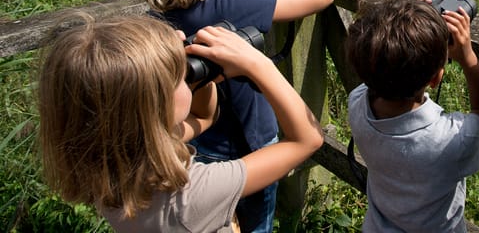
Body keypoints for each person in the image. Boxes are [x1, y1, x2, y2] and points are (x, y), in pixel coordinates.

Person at [135, 0, 334, 233]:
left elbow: (233, 4)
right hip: (250, 148)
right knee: (256, 223)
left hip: (196, 143)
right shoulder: (233, 5)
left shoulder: (153, 19)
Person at [38, 14, 324, 232]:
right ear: (156, 106)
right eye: (179, 78)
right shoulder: (188, 197)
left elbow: (203, 118)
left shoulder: (110, 159)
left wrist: (200, 74)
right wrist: (258, 64)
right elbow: (306, 139)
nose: (186, 77)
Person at [346, 0, 479, 233]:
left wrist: (407, 14)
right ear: (436, 77)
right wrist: (468, 57)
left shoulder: (357, 103)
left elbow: (378, 62)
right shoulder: (453, 140)